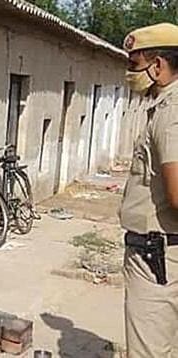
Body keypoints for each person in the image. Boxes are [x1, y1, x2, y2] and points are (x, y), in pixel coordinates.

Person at [119, 23, 178, 357]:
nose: (130, 73)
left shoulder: (171, 113)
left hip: (158, 255)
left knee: (151, 351)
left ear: (157, 66)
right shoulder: (162, 107)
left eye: (134, 65)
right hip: (161, 250)